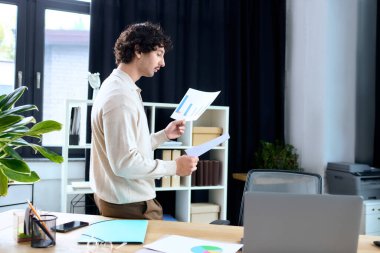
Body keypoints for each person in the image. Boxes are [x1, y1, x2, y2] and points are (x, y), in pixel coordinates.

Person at [90, 22, 199, 220]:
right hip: (130, 205)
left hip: (123, 199)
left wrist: (163, 135)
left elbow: (127, 148)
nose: (163, 62)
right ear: (138, 51)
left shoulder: (118, 87)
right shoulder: (121, 95)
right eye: (159, 54)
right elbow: (125, 163)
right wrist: (175, 167)